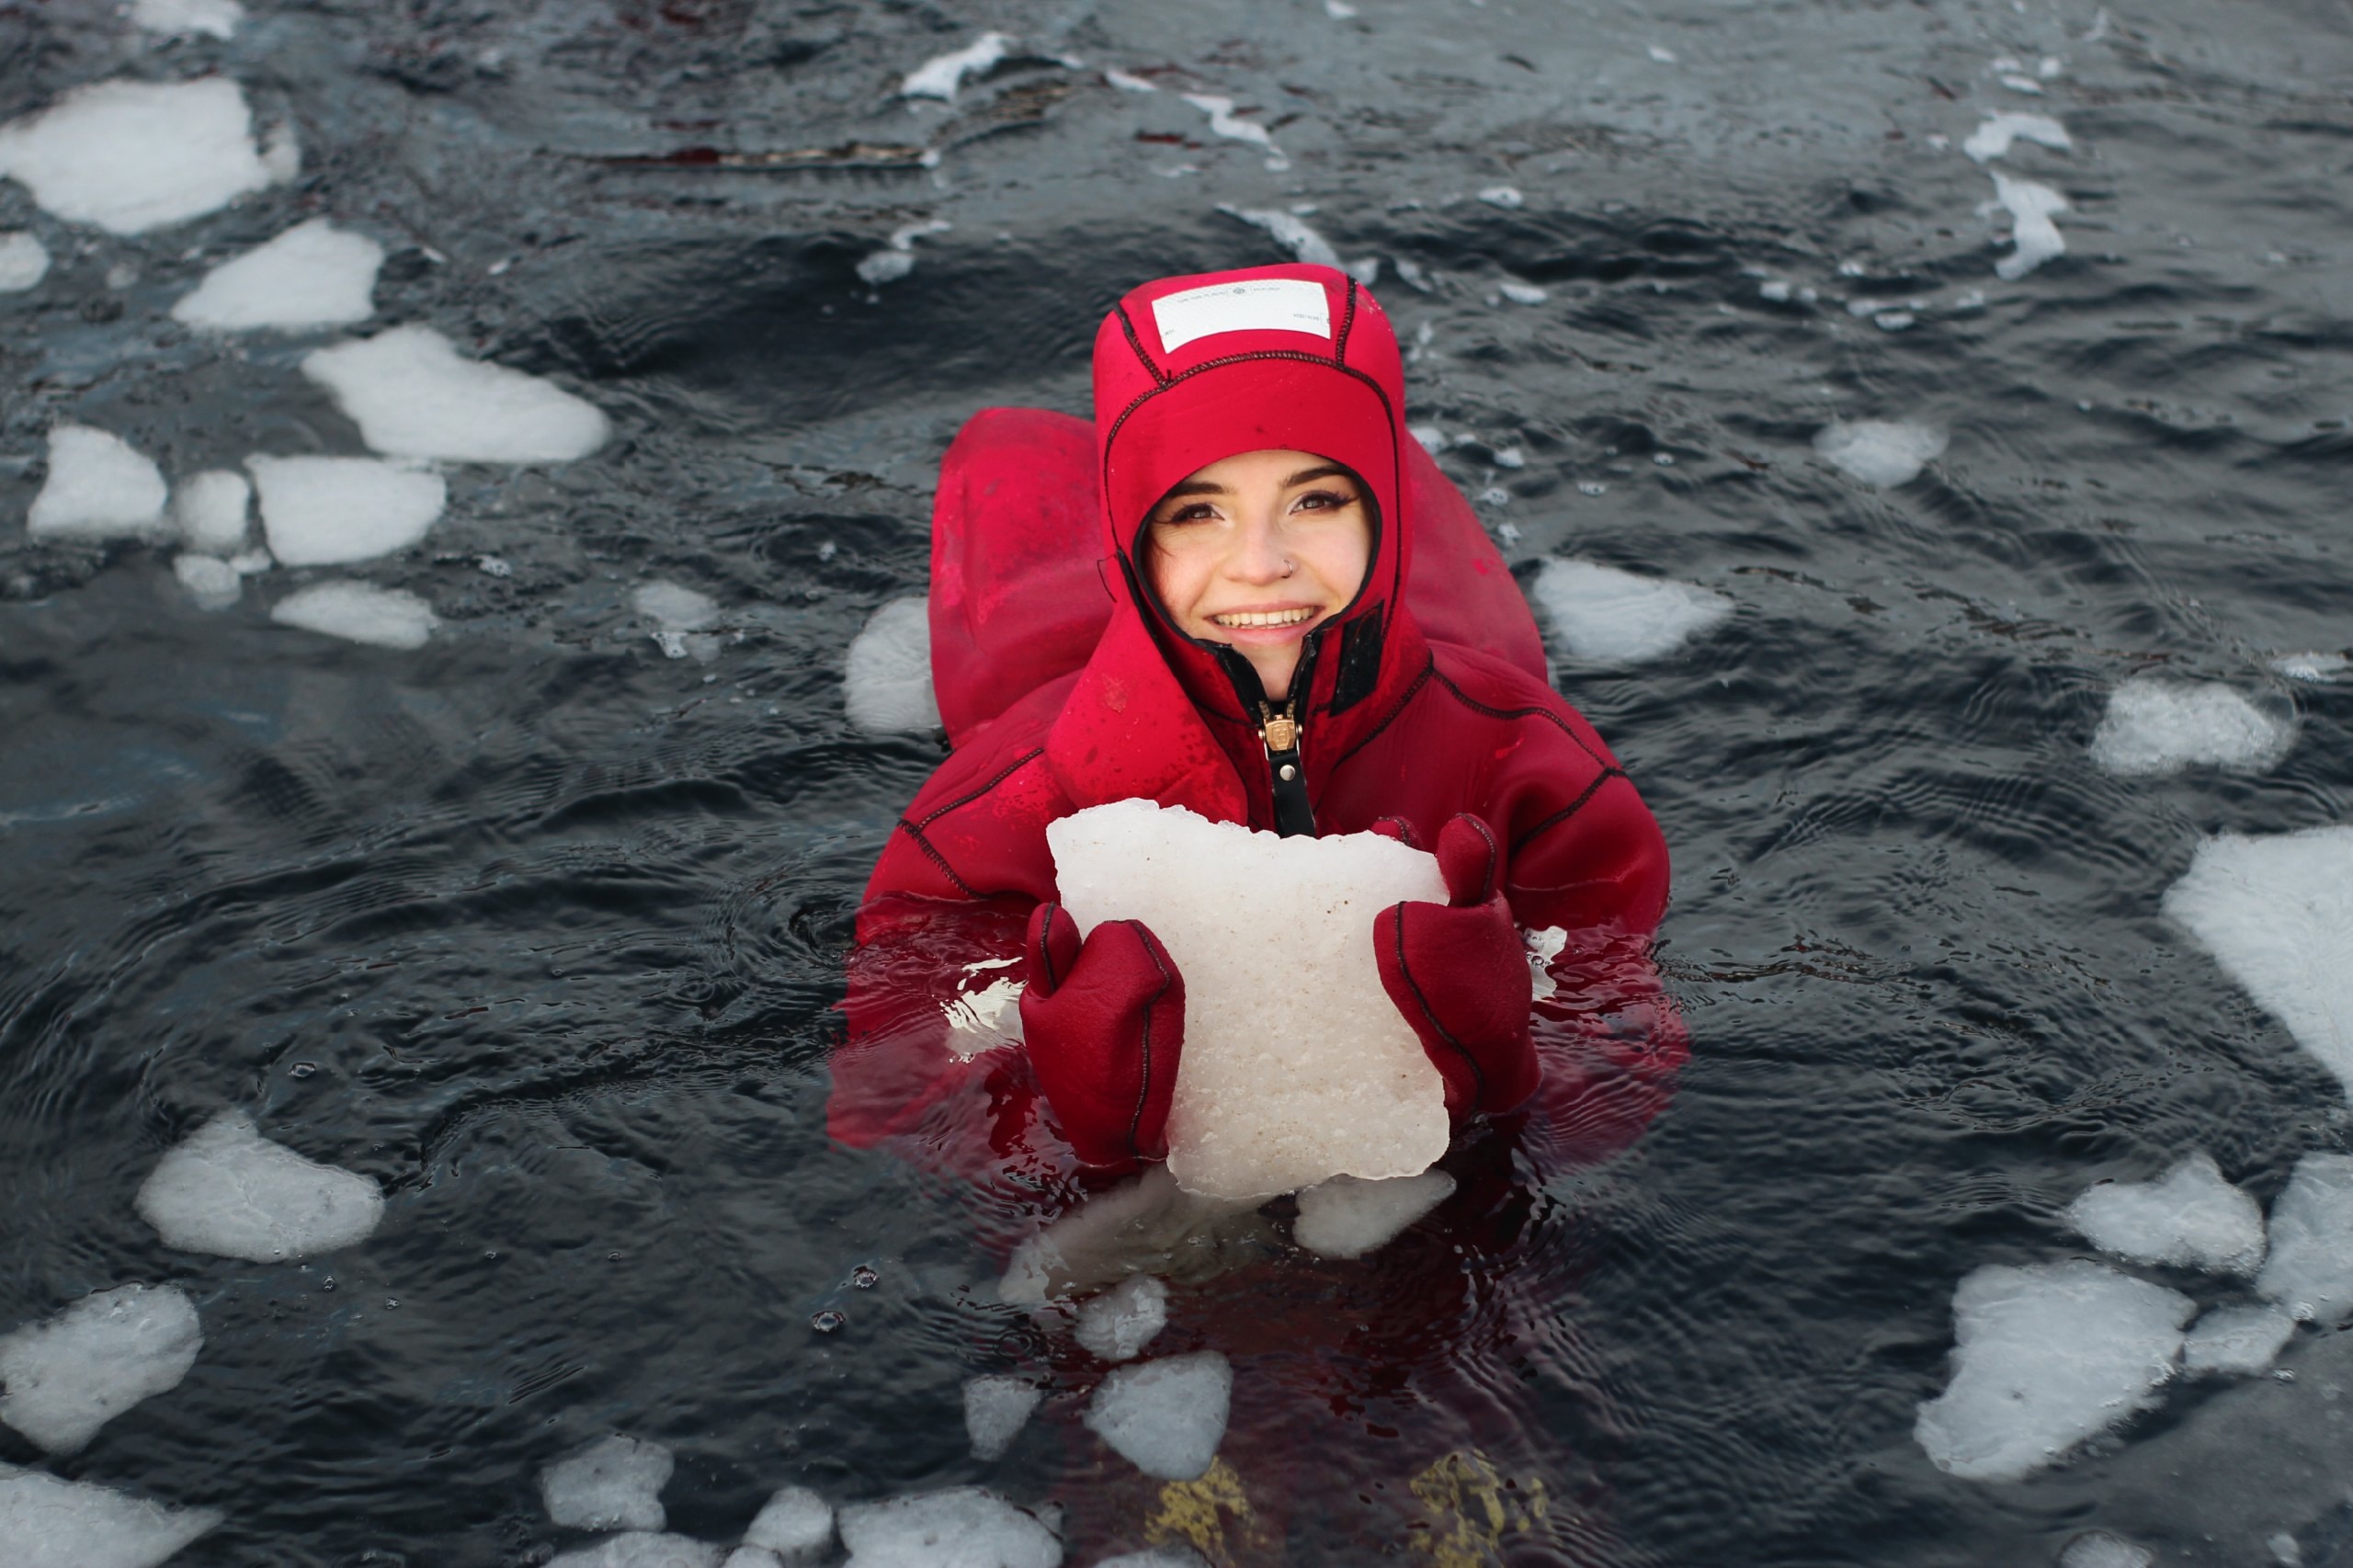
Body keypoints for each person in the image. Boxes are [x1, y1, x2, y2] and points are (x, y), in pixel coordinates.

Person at [831, 261, 1677, 1179]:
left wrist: (1507, 1073)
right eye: (1197, 512)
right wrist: (1070, 1125)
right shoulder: (988, 821)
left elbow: (1626, 1054)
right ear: (1130, 533)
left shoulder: (1529, 765)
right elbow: (892, 1113)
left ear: (1383, 511)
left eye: (1315, 500)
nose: (1260, 564)